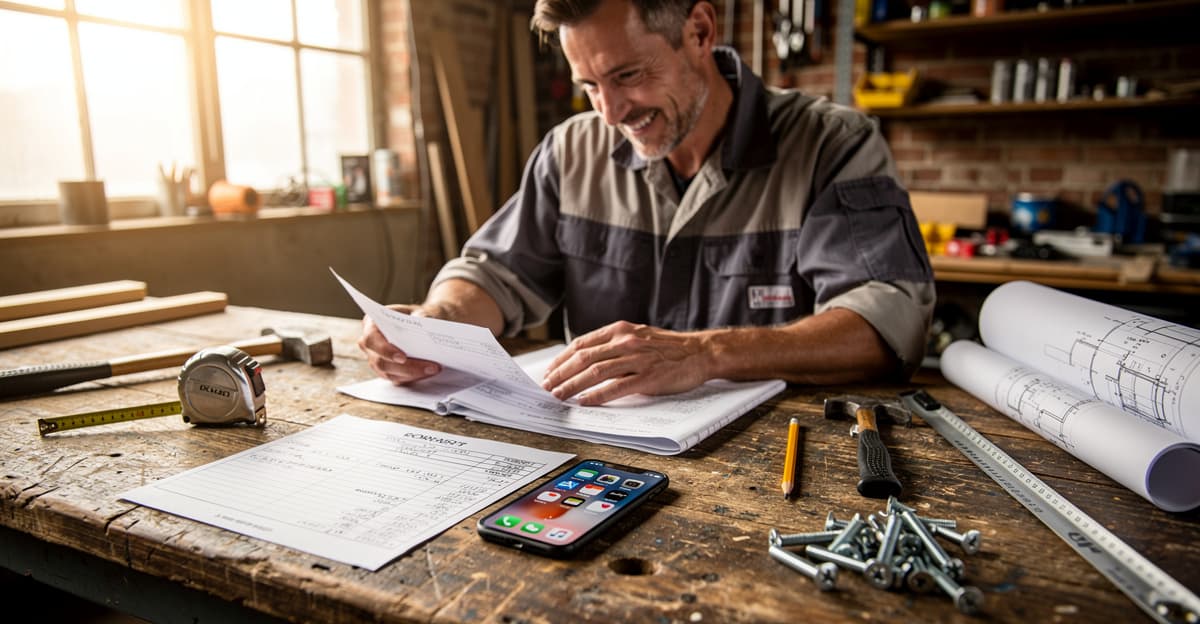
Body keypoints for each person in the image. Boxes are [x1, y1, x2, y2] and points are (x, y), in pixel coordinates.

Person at [359, 0, 935, 406]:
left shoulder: (832, 145)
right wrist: (439, 323)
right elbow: (495, 273)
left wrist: (704, 353)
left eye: (627, 74)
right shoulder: (571, 150)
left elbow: (886, 321)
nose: (609, 112)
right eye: (589, 85)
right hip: (596, 455)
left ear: (701, 31)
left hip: (778, 468)